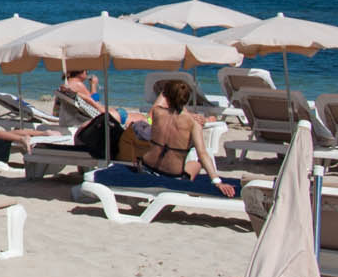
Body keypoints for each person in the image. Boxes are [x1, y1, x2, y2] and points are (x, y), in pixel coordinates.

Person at [94, 80, 240, 198]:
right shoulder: (193, 123)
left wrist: (167, 92)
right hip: (172, 176)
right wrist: (217, 181)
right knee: (197, 162)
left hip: (145, 169)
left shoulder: (157, 113)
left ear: (166, 96)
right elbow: (202, 153)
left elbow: (162, 103)